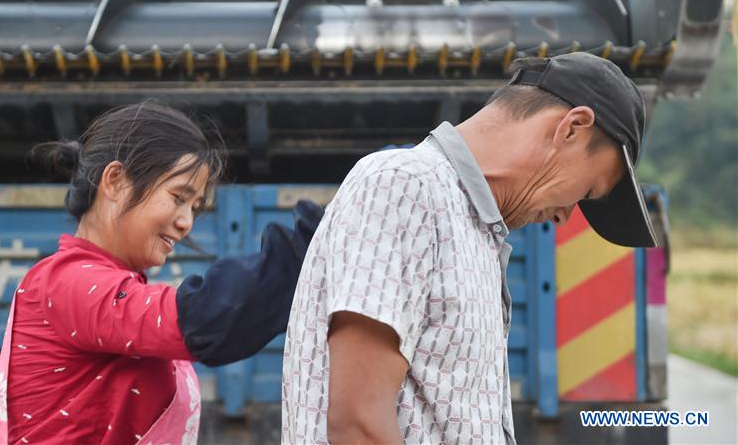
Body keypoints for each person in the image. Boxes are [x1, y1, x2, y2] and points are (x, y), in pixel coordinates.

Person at [281, 53, 658, 444]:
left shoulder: (472, 227)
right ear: (572, 128)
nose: (565, 216)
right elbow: (358, 424)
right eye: (587, 191)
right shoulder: (404, 185)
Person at [0, 102, 323, 444]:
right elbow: (206, 319)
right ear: (115, 181)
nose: (186, 222)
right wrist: (307, 251)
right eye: (179, 197)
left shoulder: (97, 286)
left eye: (194, 207)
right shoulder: (66, 280)